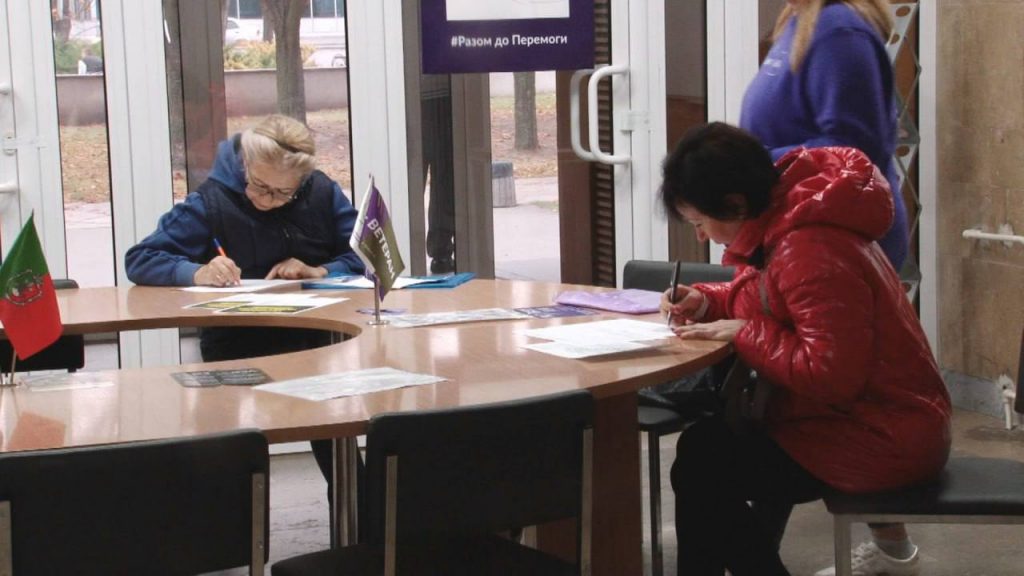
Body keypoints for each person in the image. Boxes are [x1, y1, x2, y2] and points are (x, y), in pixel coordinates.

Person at [659, 122, 951, 576]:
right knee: (705, 453)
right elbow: (769, 299)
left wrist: (745, 333)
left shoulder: (810, 249)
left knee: (704, 464)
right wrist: (705, 301)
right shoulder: (787, 221)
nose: (700, 236)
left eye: (700, 222)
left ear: (734, 204)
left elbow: (831, 376)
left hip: (881, 436)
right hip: (863, 419)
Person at [125, 113, 364, 508]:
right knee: (232, 448)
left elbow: (365, 253)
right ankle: (230, 529)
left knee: (336, 438)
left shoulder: (321, 192)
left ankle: (361, 524)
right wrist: (198, 271)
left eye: (283, 193)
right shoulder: (211, 200)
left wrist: (322, 270)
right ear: (245, 165)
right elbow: (141, 259)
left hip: (314, 339)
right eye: (260, 187)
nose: (268, 201)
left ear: (302, 181)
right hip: (235, 341)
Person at [740, 0, 908, 272]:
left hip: (835, 245)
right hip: (804, 237)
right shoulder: (799, 21)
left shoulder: (839, 31)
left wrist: (752, 163)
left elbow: (854, 152)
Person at [421, 73, 456, 274]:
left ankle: (440, 252)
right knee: (443, 181)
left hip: (418, 93)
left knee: (409, 180)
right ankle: (441, 253)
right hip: (442, 93)